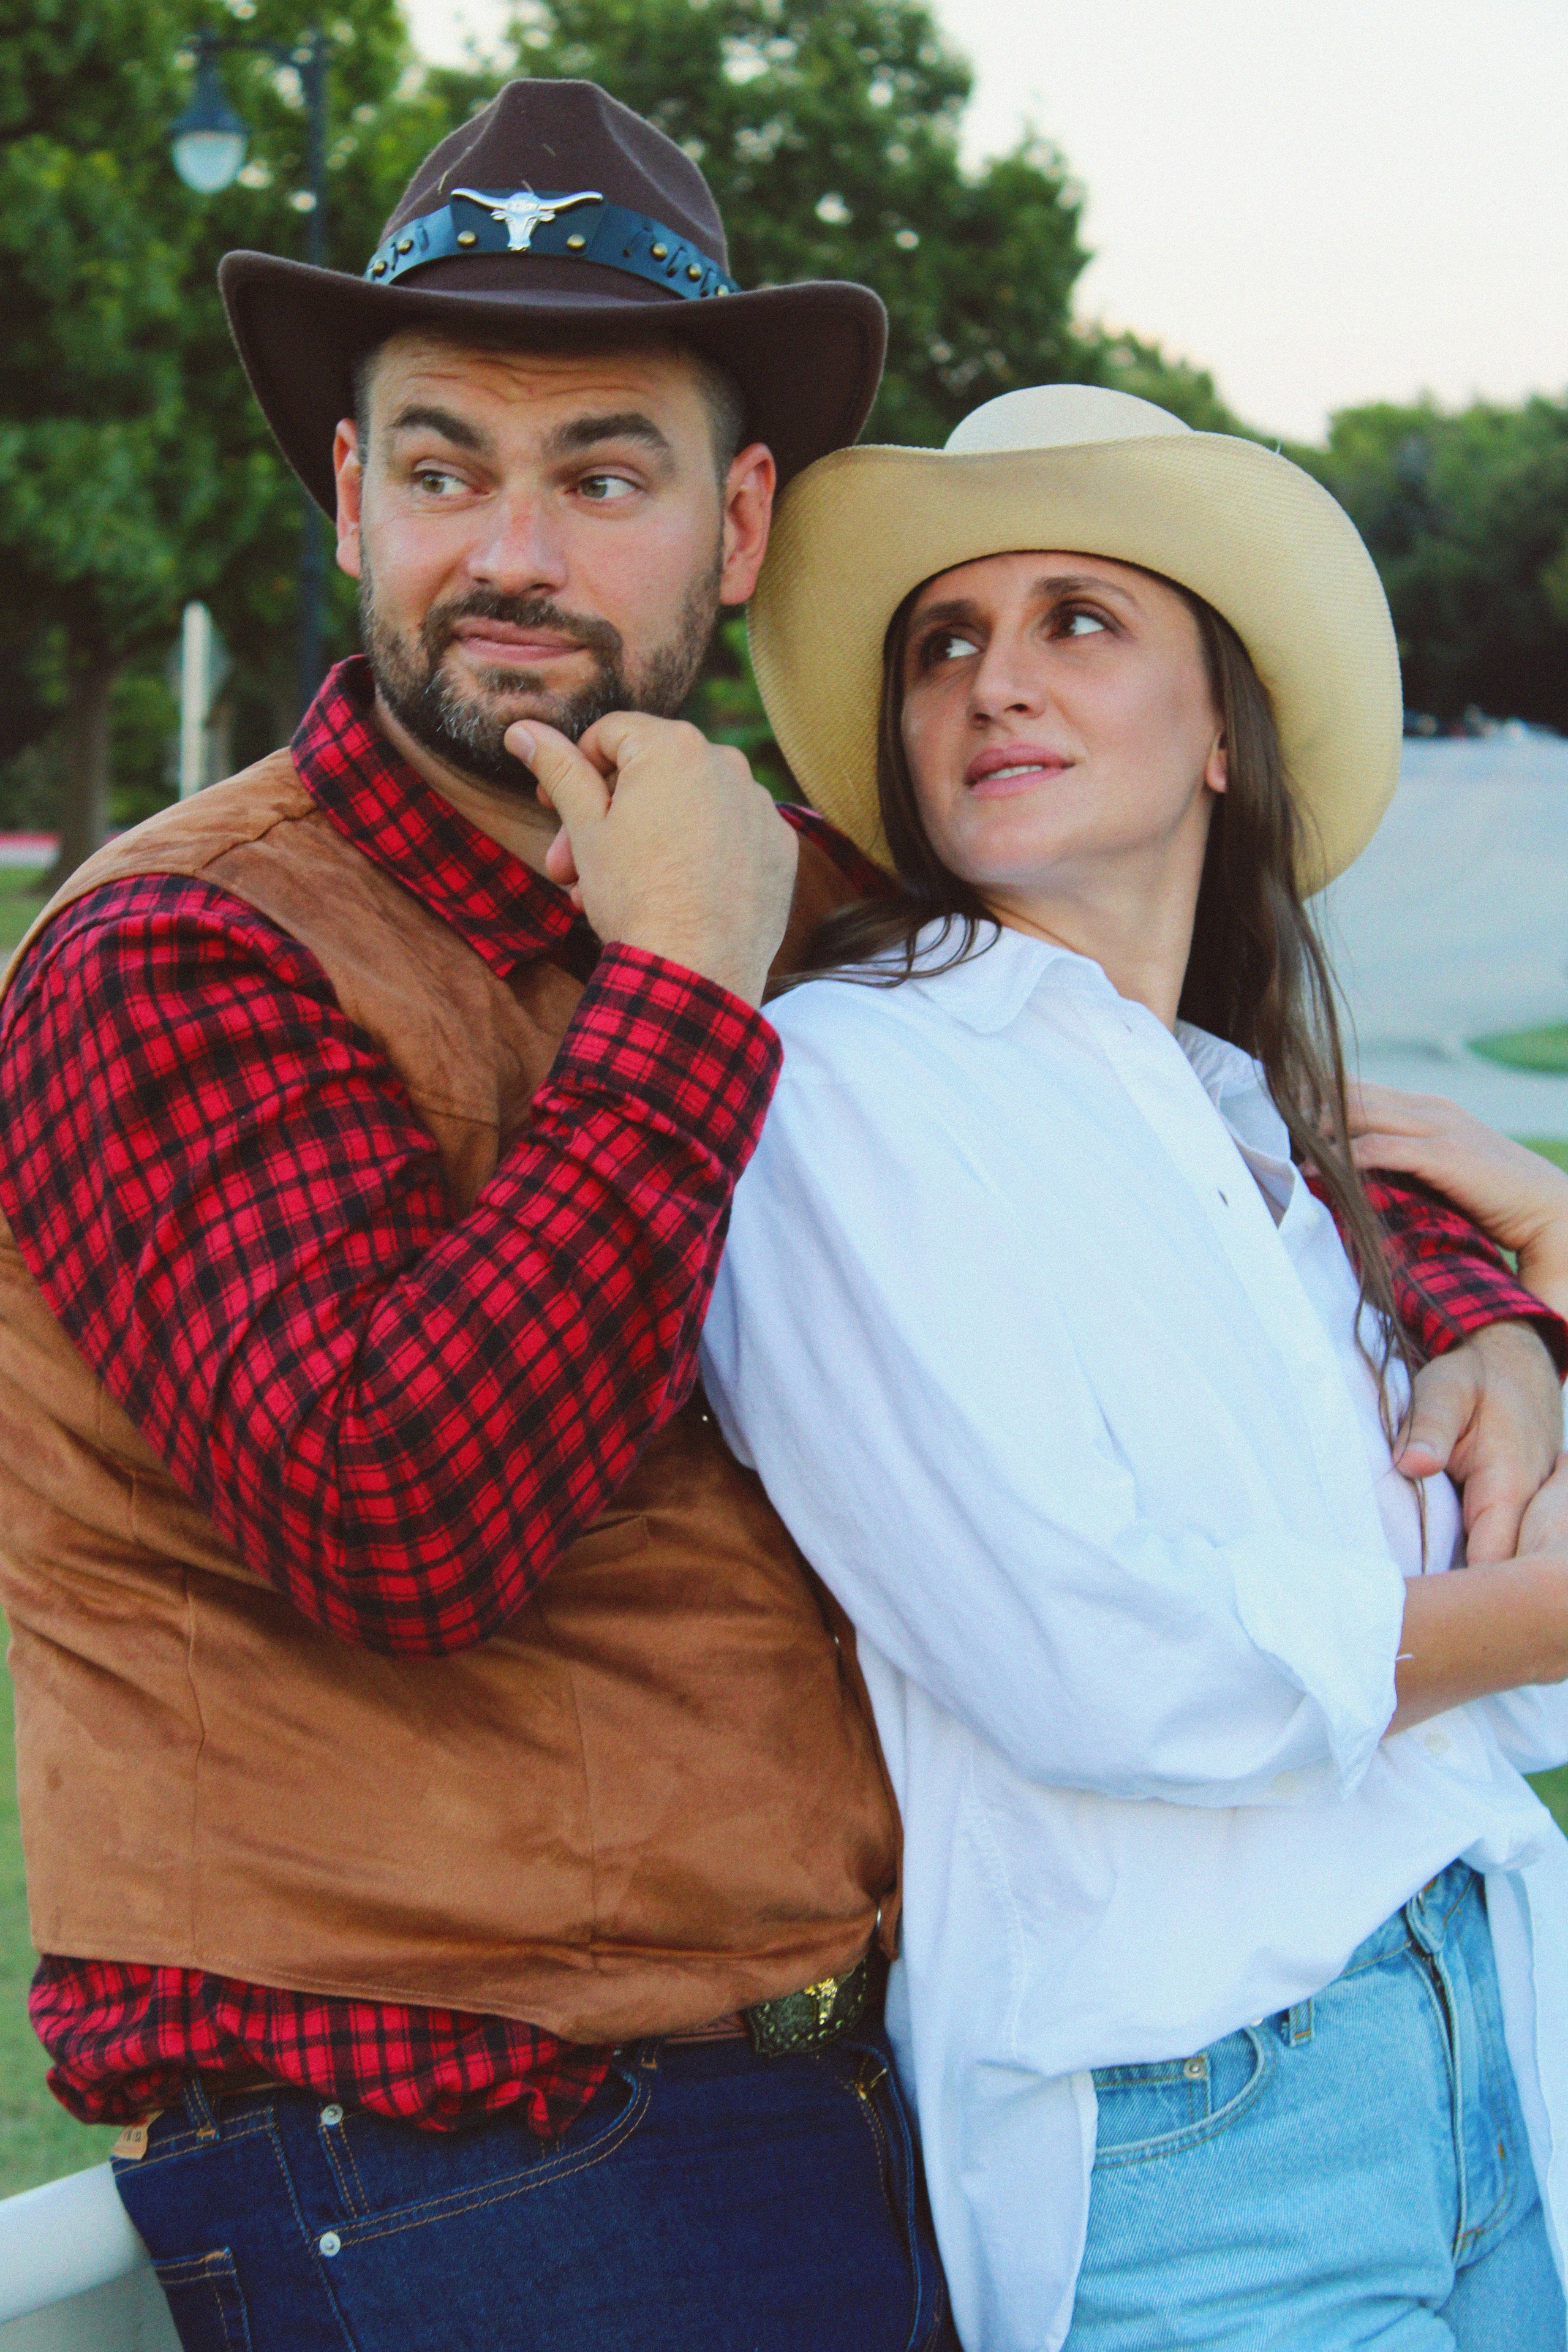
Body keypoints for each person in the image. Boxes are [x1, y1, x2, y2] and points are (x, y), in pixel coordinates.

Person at [0, 82, 1554, 2352]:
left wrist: (1500, 1316)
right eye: (442, 468)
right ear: (350, 498)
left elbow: (1216, 1155)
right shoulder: (186, 950)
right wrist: (674, 987)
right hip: (446, 2152)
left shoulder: (811, 897)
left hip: (843, 2087)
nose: (511, 548)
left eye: (603, 473)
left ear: (736, 527)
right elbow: (396, 1521)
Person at [695, 382, 1568, 2350]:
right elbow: (1100, 1656)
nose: (996, 681)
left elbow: (1460, 1537)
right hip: (1201, 2133)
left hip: (1478, 2030)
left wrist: (1541, 1277)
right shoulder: (845, 1092)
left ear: (1224, 738)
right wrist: (1539, 1616)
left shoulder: (1245, 1121)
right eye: (947, 643)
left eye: (1079, 618)